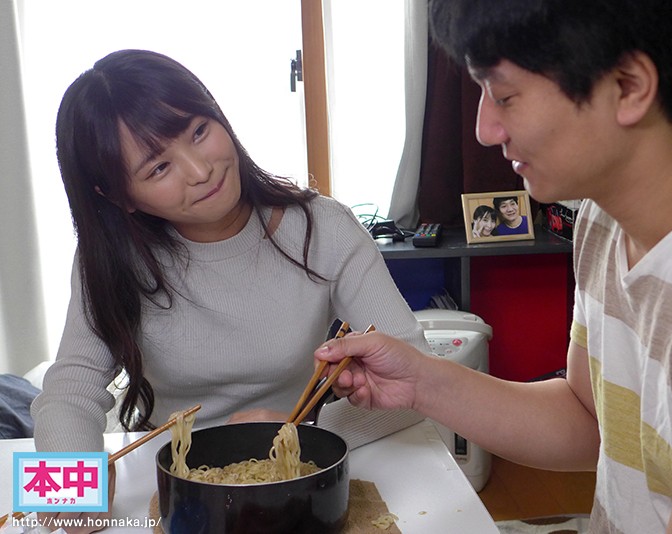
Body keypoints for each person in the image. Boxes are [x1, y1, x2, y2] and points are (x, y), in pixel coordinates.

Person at [315, 1, 672, 532]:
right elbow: (588, 419)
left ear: (629, 86)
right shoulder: (605, 215)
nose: (485, 129)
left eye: (504, 95)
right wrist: (420, 381)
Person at [30, 49, 428, 532]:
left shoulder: (322, 228)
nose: (201, 171)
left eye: (199, 131)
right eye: (159, 168)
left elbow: (421, 376)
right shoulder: (111, 261)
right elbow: (69, 388)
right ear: (118, 196)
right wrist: (69, 492)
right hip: (175, 484)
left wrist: (303, 432)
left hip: (295, 473)